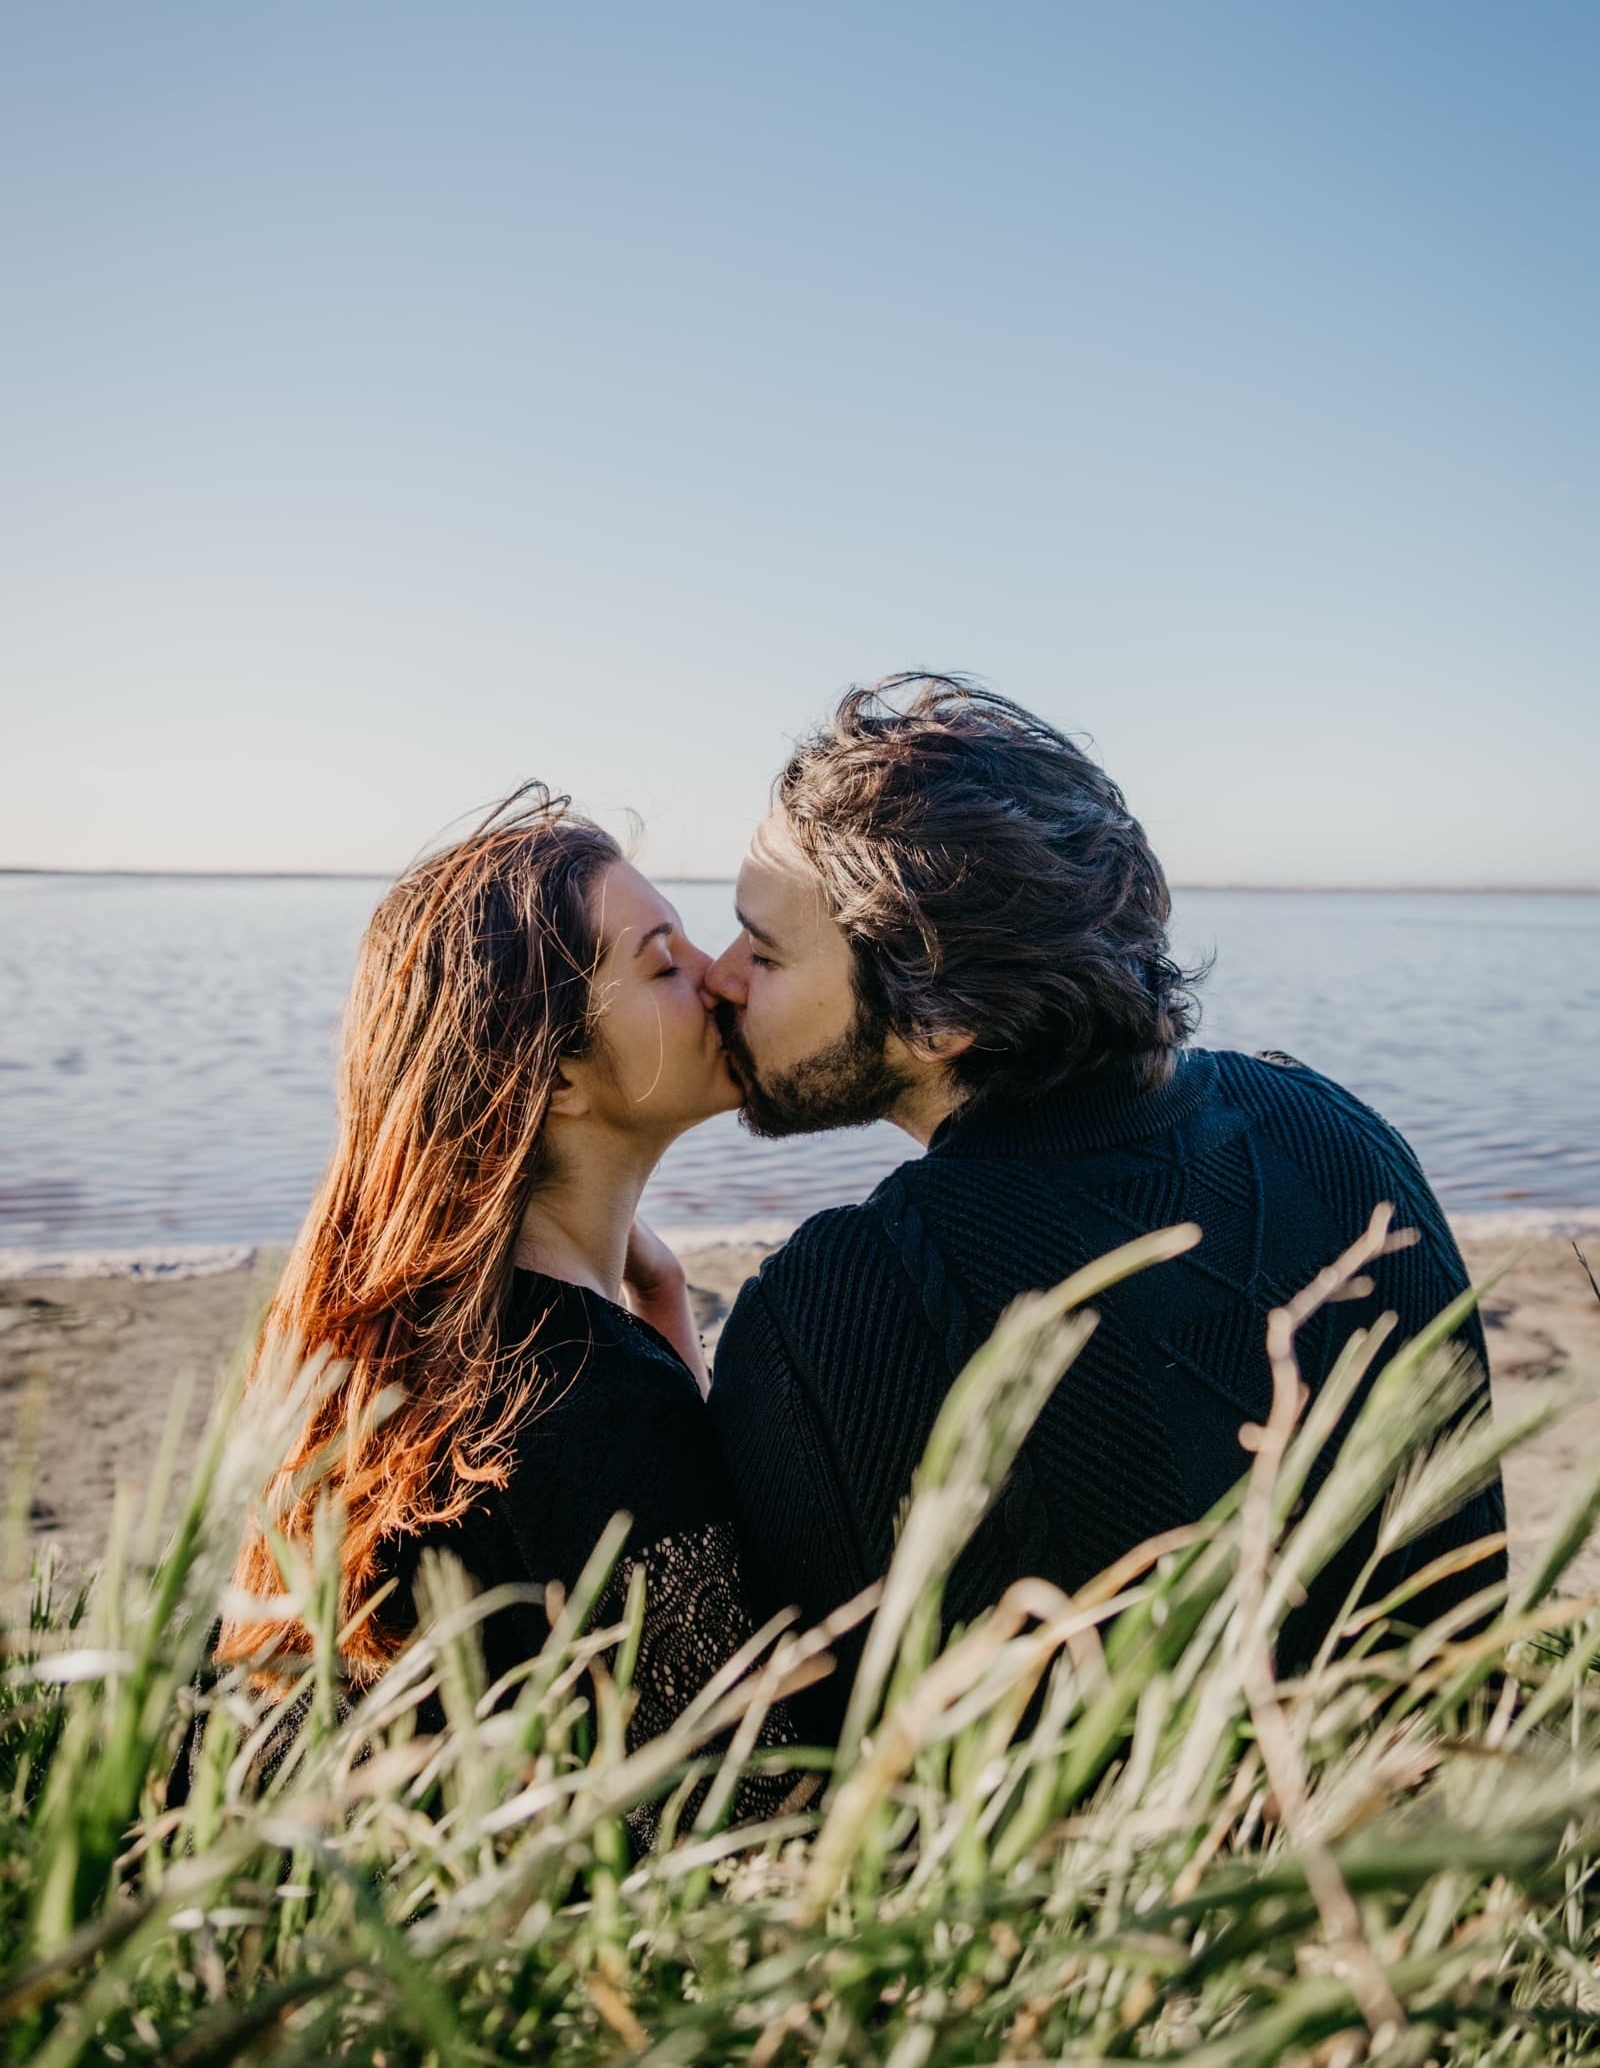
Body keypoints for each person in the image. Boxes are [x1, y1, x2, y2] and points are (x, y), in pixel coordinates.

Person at [705, 675, 1506, 1735]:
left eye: (763, 952)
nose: (719, 977)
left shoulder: (834, 1305)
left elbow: (788, 1745)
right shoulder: (1334, 1130)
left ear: (939, 1015)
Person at [219, 786, 785, 1793]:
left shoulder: (432, 1338)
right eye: (664, 964)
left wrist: (661, 1306)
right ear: (554, 1075)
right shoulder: (590, 1395)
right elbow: (742, 1783)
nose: (719, 977)